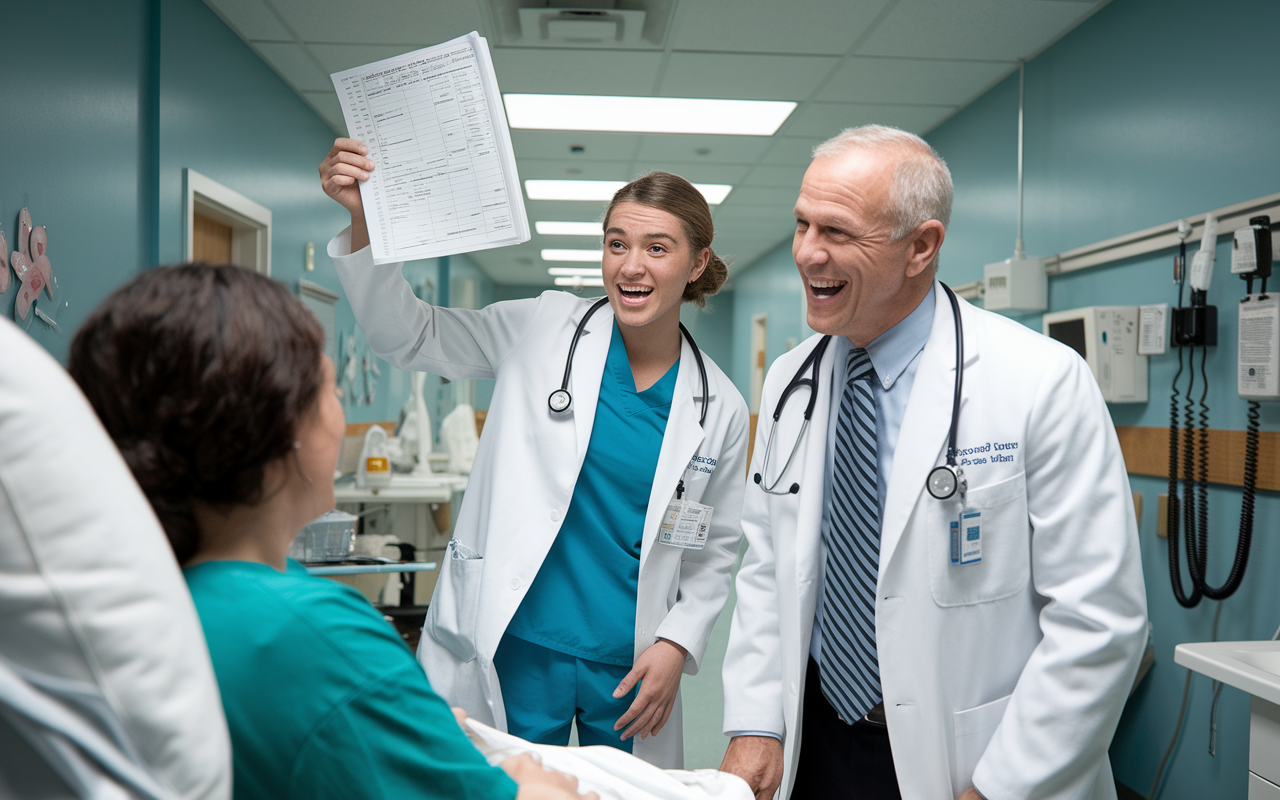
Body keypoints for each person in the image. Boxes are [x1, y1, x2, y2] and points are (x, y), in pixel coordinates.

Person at [718, 125, 1148, 800]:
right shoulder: (789, 382)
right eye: (801, 224)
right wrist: (755, 724)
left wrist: (1001, 787)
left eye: (837, 231)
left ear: (921, 246)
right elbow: (770, 571)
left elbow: (1099, 621)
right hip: (820, 739)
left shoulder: (1040, 381)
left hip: (975, 762)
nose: (807, 252)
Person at [68, 263, 594, 800]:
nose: (341, 416)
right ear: (281, 435)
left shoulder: (123, 591)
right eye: (331, 391)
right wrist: (529, 782)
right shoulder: (314, 632)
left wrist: (393, 722)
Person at [319, 140, 749, 768]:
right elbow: (407, 335)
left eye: (657, 247)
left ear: (695, 262)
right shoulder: (541, 329)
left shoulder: (721, 407)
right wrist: (364, 222)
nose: (631, 266)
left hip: (630, 662)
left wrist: (677, 644)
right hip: (513, 640)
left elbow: (713, 551)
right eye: (616, 243)